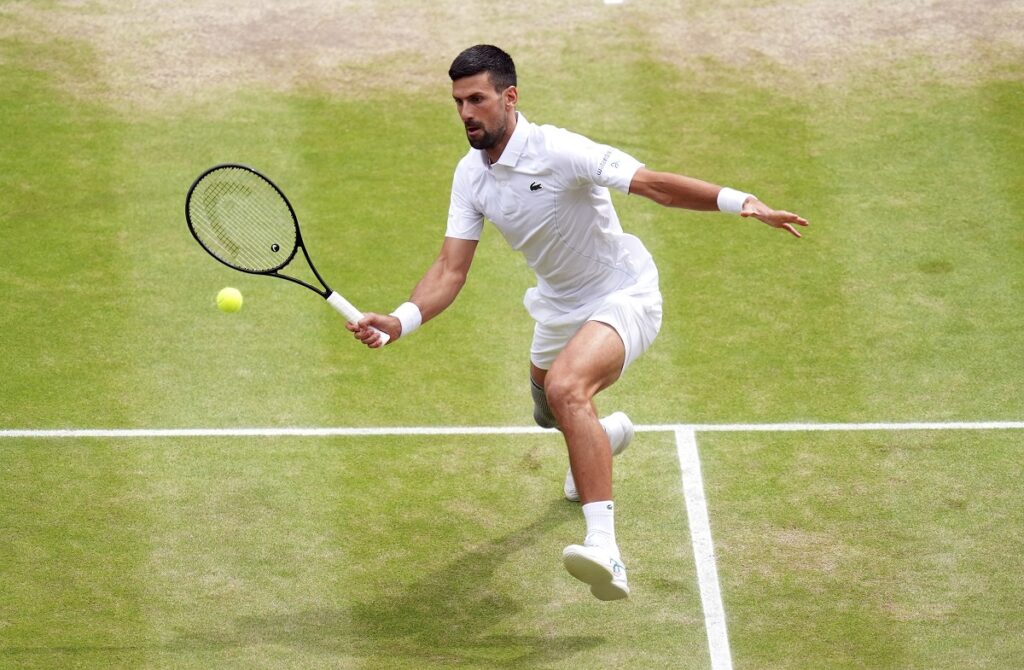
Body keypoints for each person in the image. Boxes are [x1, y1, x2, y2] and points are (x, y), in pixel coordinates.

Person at [348, 44, 808, 601]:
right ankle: (603, 438)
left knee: (569, 390)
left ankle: (605, 549)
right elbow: (450, 269)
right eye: (457, 102)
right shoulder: (470, 177)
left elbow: (653, 184)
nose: (466, 113)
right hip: (558, 305)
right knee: (548, 412)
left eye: (477, 99)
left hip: (623, 295)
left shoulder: (560, 150)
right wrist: (399, 321)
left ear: (509, 97)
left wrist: (742, 202)